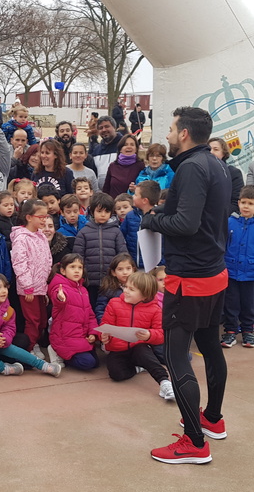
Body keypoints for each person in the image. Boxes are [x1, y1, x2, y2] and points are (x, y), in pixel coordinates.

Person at [142, 106, 230, 464]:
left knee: (175, 356)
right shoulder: (216, 164)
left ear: (184, 134)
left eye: (171, 128)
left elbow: (187, 224)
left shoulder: (192, 167)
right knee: (210, 347)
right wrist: (162, 216)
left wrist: (152, 219)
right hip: (213, 273)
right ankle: (212, 419)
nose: (166, 134)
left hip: (190, 280)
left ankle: (194, 442)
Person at [0, 273, 61, 377]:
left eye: (5, 287)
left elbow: (9, 329)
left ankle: (44, 366)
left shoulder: (9, 310)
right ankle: (3, 368)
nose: (4, 290)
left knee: (12, 348)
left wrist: (3, 339)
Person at [100, 272, 174, 399]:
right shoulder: (114, 303)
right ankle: (137, 368)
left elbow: (161, 334)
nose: (126, 291)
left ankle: (164, 382)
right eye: (126, 287)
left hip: (139, 346)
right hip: (118, 348)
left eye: (132, 289)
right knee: (116, 374)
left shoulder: (155, 309)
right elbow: (105, 324)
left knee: (145, 355)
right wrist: (104, 336)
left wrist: (149, 335)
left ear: (145, 295)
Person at [10, 199, 52, 358]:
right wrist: (28, 287)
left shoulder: (41, 235)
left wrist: (44, 284)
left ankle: (34, 344)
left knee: (42, 320)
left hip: (41, 287)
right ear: (28, 217)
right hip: (29, 289)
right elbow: (20, 264)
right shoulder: (21, 238)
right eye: (40, 217)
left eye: (46, 216)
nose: (44, 220)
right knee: (32, 321)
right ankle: (28, 350)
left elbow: (47, 259)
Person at [73, 192, 128, 307]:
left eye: (106, 211)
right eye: (99, 211)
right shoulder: (84, 232)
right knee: (91, 308)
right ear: (92, 211)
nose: (103, 214)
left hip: (111, 281)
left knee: (108, 308)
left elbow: (122, 256)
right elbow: (77, 257)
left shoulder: (116, 232)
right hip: (90, 282)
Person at [47, 254, 99, 370]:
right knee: (88, 363)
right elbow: (57, 297)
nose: (77, 271)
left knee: (95, 363)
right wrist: (60, 298)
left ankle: (67, 354)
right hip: (64, 337)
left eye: (80, 267)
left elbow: (90, 315)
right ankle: (56, 352)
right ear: (63, 271)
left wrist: (92, 333)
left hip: (80, 336)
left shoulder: (83, 290)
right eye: (72, 267)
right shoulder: (60, 287)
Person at [221, 185, 254, 348]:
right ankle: (230, 332)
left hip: (251, 274)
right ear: (238, 203)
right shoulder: (230, 222)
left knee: (248, 304)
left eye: (251, 203)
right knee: (231, 303)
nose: (246, 206)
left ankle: (248, 332)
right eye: (243, 202)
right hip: (231, 272)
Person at [121, 180, 161, 267]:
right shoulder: (130, 216)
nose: (132, 197)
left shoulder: (161, 217)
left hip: (156, 269)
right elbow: (122, 237)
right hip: (133, 267)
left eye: (135, 195)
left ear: (144, 200)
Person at [94, 253, 137, 324]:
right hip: (114, 326)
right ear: (114, 272)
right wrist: (104, 326)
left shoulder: (140, 287)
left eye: (128, 268)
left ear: (133, 270)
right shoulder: (108, 288)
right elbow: (101, 310)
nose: (125, 272)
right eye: (120, 269)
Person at [208, 137, 244, 215]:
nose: (211, 152)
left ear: (224, 153)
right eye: (209, 149)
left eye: (216, 149)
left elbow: (236, 203)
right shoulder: (199, 172)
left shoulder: (234, 173)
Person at [103, 134, 145, 198]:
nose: (129, 147)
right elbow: (106, 190)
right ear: (120, 149)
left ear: (136, 149)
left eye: (132, 145)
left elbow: (145, 189)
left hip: (132, 205)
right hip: (114, 205)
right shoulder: (113, 166)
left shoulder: (140, 166)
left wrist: (135, 189)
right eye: (125, 145)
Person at [88, 116, 123, 191]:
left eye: (107, 126)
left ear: (114, 127)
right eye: (101, 128)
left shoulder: (124, 146)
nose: (104, 130)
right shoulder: (96, 150)